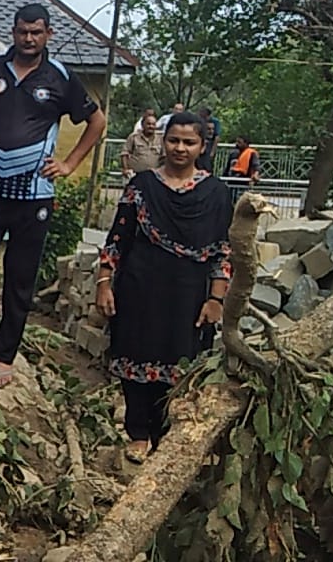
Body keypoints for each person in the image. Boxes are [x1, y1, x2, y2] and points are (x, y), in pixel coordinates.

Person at [0, 4, 107, 389]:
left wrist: (70, 163)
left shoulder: (60, 78)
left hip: (33, 195)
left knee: (21, 281)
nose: (29, 39)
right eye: (22, 31)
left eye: (36, 32)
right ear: (14, 31)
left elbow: (97, 120)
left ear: (48, 34)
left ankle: (4, 357)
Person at [95, 111, 231, 463]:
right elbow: (117, 238)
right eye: (174, 140)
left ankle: (166, 437)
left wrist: (216, 298)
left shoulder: (217, 194)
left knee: (181, 363)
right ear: (163, 142)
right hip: (139, 287)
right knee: (134, 356)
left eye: (189, 142)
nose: (180, 148)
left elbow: (223, 250)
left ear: (202, 146)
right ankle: (138, 434)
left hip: (188, 293)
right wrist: (105, 283)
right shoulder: (142, 186)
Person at [121, 112, 163, 179]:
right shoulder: (134, 137)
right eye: (148, 124)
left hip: (155, 176)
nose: (151, 126)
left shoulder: (161, 139)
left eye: (153, 124)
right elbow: (124, 154)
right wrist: (125, 169)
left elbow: (165, 157)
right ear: (142, 125)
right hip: (136, 175)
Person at [197, 107, 221, 172]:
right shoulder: (199, 121)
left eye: (203, 116)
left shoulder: (215, 122)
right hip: (201, 143)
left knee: (208, 164)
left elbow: (217, 137)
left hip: (210, 145)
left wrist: (212, 151)